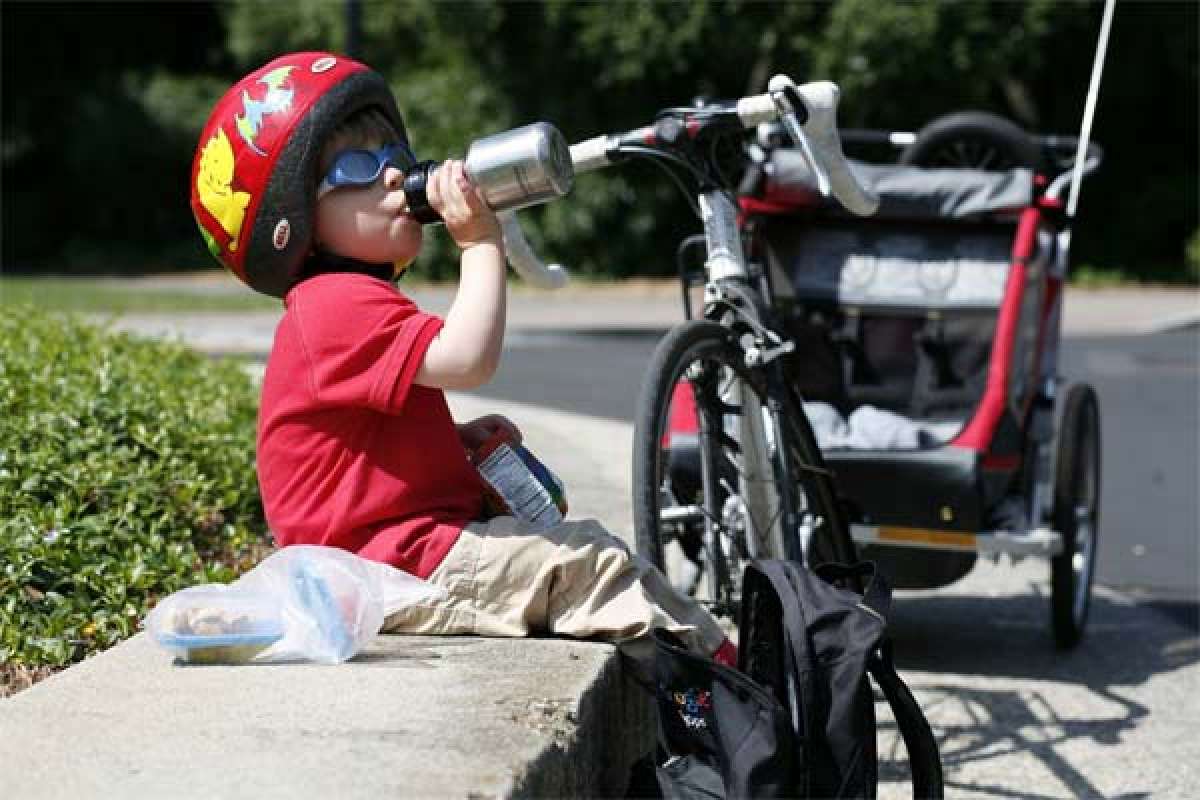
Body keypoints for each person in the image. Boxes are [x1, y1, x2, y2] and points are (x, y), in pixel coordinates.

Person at [189, 51, 736, 670]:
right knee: (589, 566)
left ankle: (718, 674)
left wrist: (450, 442)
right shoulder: (332, 302)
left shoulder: (347, 301)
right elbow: (468, 360)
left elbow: (356, 448)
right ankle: (731, 686)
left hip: (402, 551)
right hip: (386, 569)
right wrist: (479, 243)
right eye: (358, 167)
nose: (395, 177)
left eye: (394, 157)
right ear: (294, 222)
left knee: (582, 549)